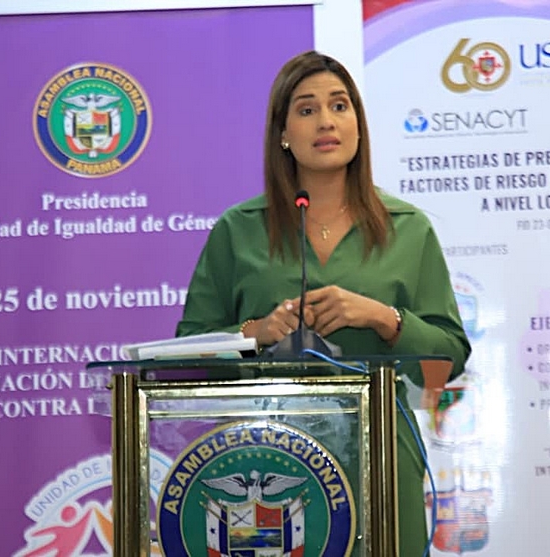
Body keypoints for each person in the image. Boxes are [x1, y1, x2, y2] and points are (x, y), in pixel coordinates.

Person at [176, 50, 471, 555]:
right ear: (283, 133)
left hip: (381, 459)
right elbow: (187, 354)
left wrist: (384, 319)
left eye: (339, 106)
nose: (327, 122)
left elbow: (446, 363)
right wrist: (255, 333)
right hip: (269, 467)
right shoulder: (238, 230)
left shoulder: (408, 228)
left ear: (358, 125)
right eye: (307, 109)